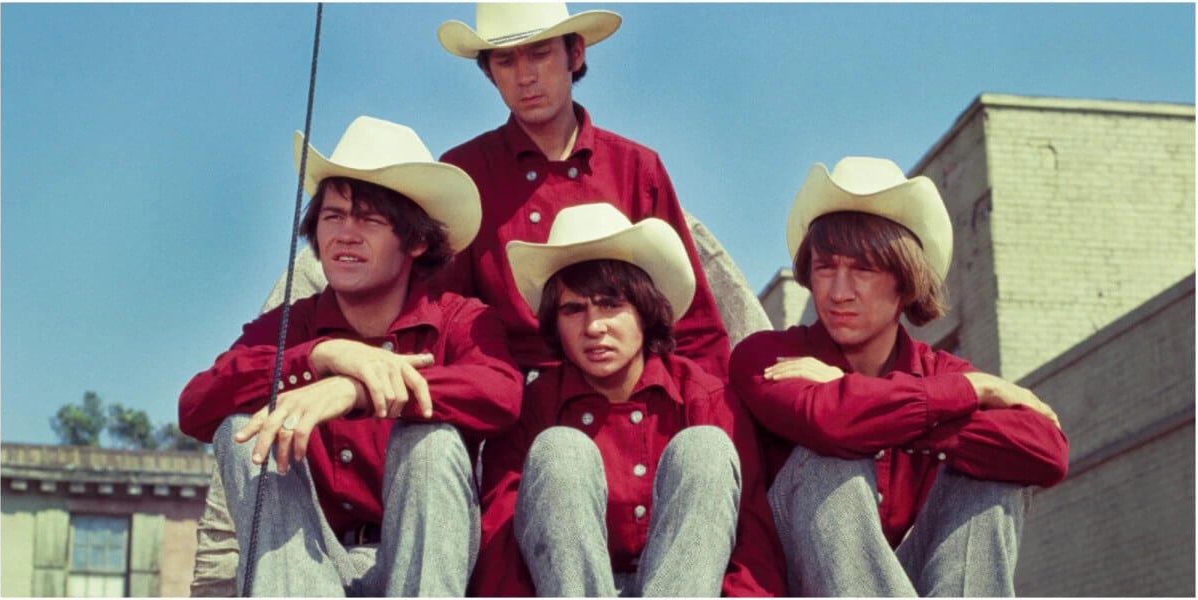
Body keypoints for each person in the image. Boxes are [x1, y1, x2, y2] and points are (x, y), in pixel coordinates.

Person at [178, 116, 523, 596]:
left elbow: (501, 393)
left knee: (434, 444)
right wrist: (322, 356)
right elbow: (195, 405)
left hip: (425, 564)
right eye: (333, 216)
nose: (345, 234)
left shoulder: (459, 318)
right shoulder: (292, 324)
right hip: (314, 566)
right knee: (241, 428)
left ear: (418, 241)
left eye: (370, 220)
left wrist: (356, 388)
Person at [729, 157, 1070, 596]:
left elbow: (1047, 453)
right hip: (801, 585)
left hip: (903, 579)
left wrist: (872, 404)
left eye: (864, 269)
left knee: (992, 477)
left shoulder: (938, 372)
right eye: (825, 267)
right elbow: (829, 425)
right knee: (826, 461)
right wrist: (975, 389)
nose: (838, 292)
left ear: (905, 282)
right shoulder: (767, 355)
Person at [470, 202, 785, 597]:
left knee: (705, 446)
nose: (594, 327)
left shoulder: (706, 396)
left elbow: (751, 537)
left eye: (610, 304)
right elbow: (502, 538)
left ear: (644, 309)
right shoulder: (533, 406)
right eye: (573, 309)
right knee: (559, 449)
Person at [435, 2, 732, 378]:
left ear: (574, 54)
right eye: (505, 61)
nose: (525, 76)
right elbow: (443, 312)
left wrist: (705, 409)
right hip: (516, 395)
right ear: (489, 72)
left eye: (540, 53)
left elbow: (692, 324)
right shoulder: (464, 172)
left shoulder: (637, 167)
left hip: (631, 388)